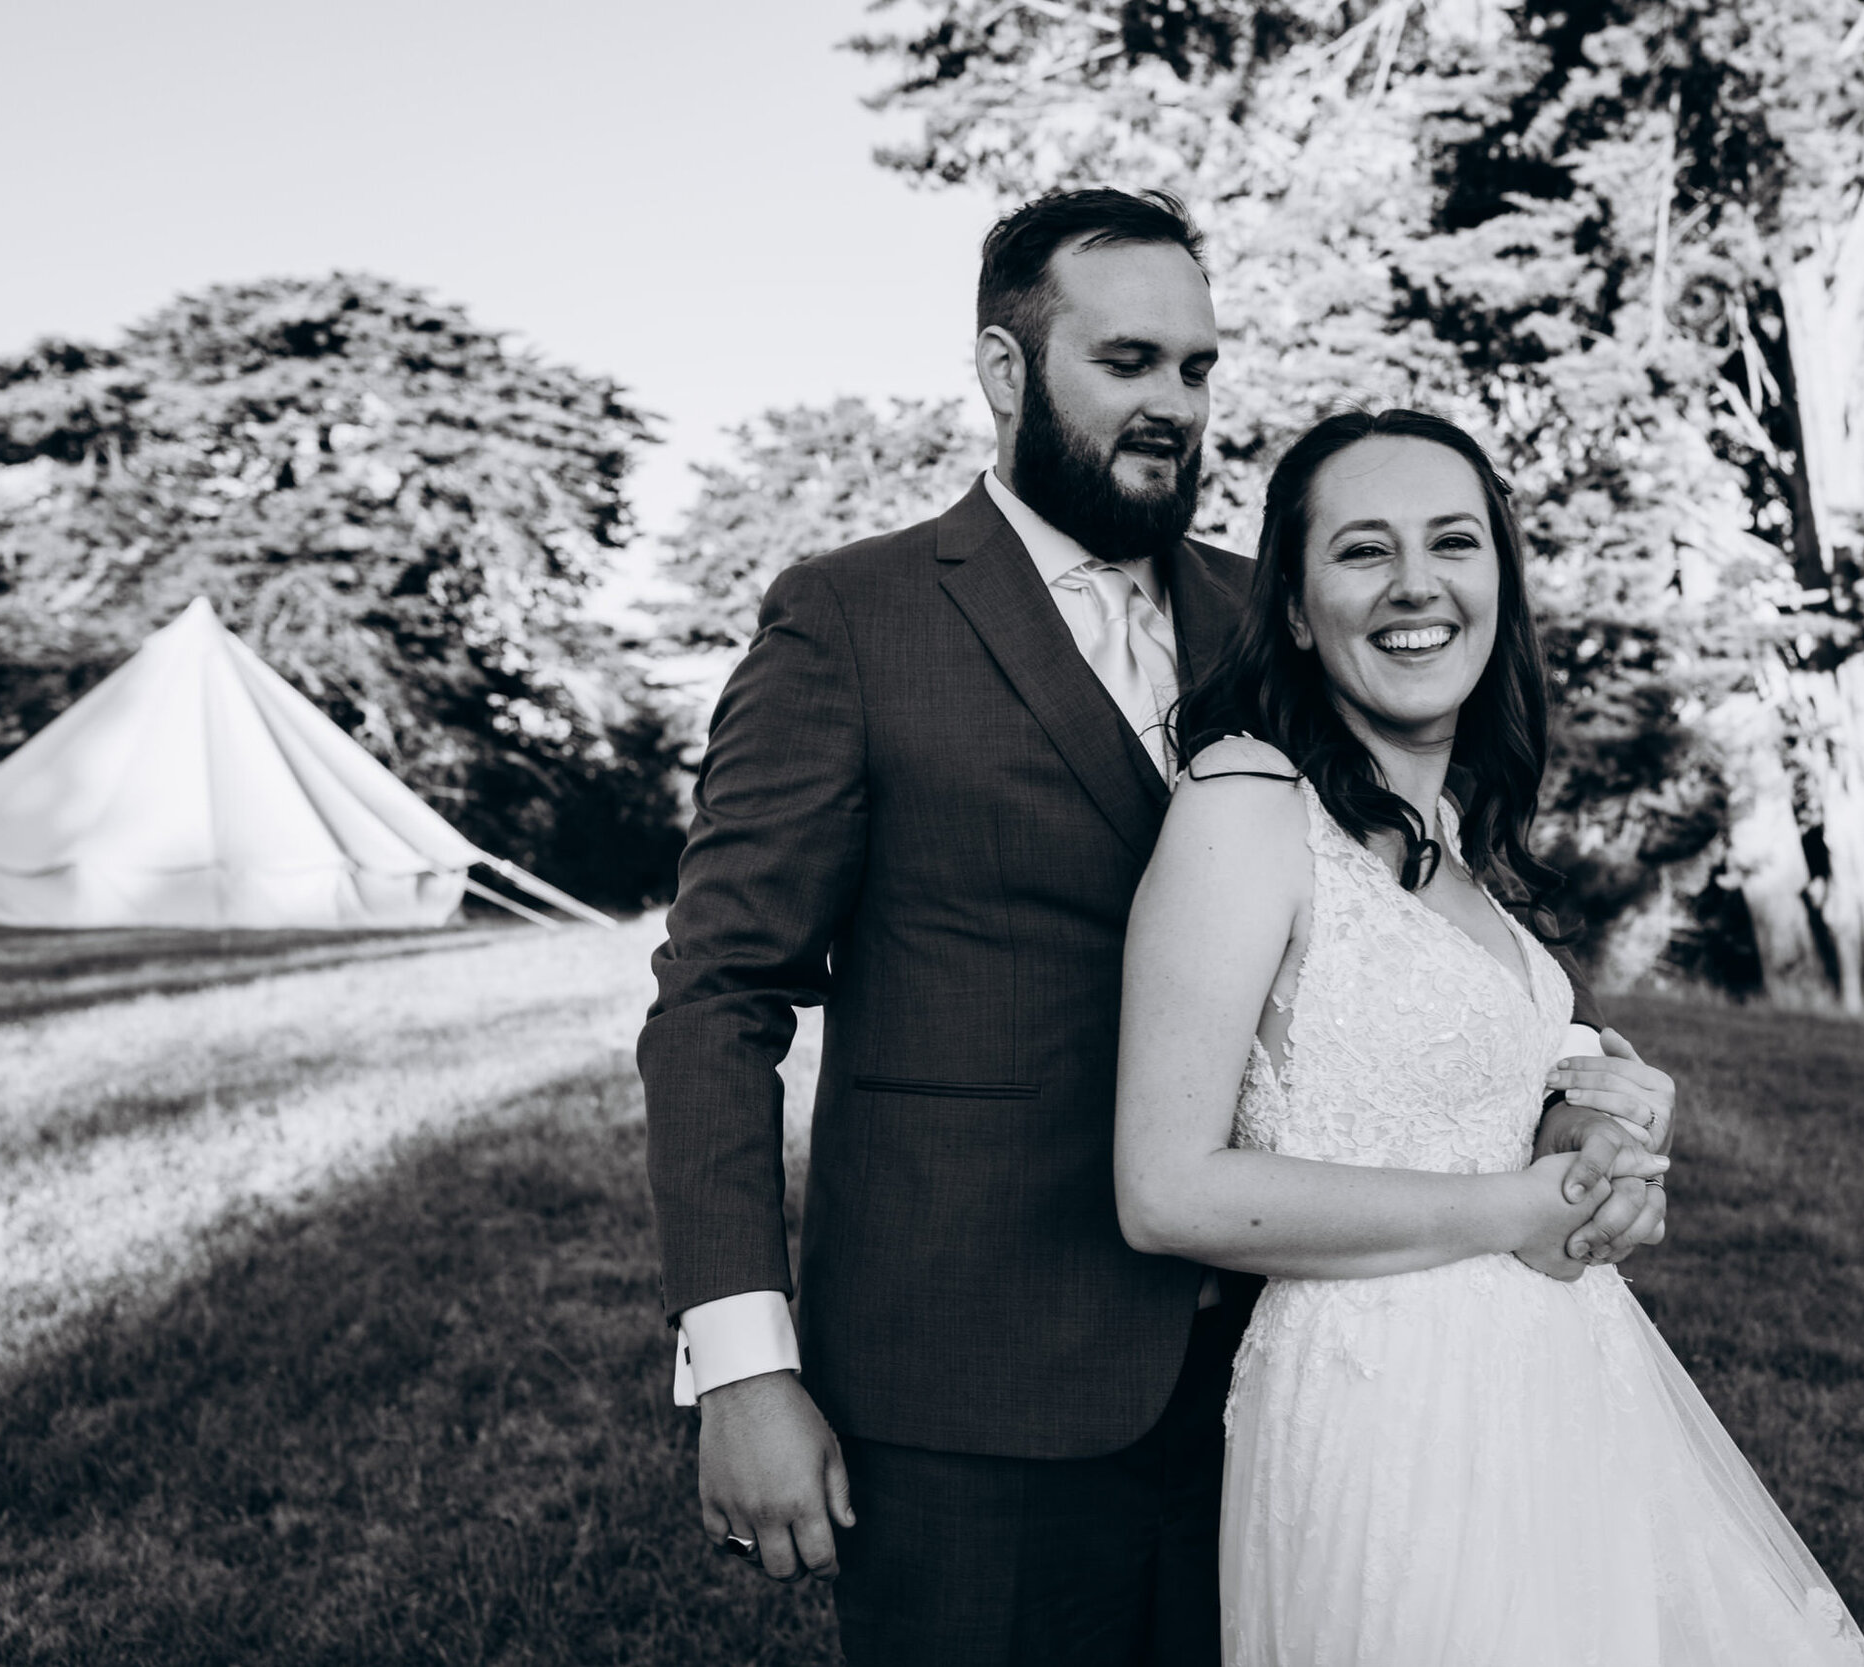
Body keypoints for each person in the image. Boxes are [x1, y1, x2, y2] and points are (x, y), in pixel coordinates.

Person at [637, 190, 1677, 1667]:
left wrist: (1564, 1077)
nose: (1174, 405)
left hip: (1283, 1365)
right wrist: (743, 1363)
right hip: (970, 1384)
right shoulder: (853, 619)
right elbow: (717, 996)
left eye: (1198, 368)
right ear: (1006, 370)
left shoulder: (1273, 611)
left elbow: (1406, 899)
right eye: (1128, 362)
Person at [1116, 408, 1864, 1666]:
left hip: (1566, 1397)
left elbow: (1476, 1076)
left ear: (1498, 582)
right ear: (1297, 610)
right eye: (1363, 550)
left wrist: (1589, 1124)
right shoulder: (1246, 799)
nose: (1417, 583)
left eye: (1453, 542)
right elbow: (1166, 1189)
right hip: (1383, 1413)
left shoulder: (1458, 841)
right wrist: (1513, 1207)